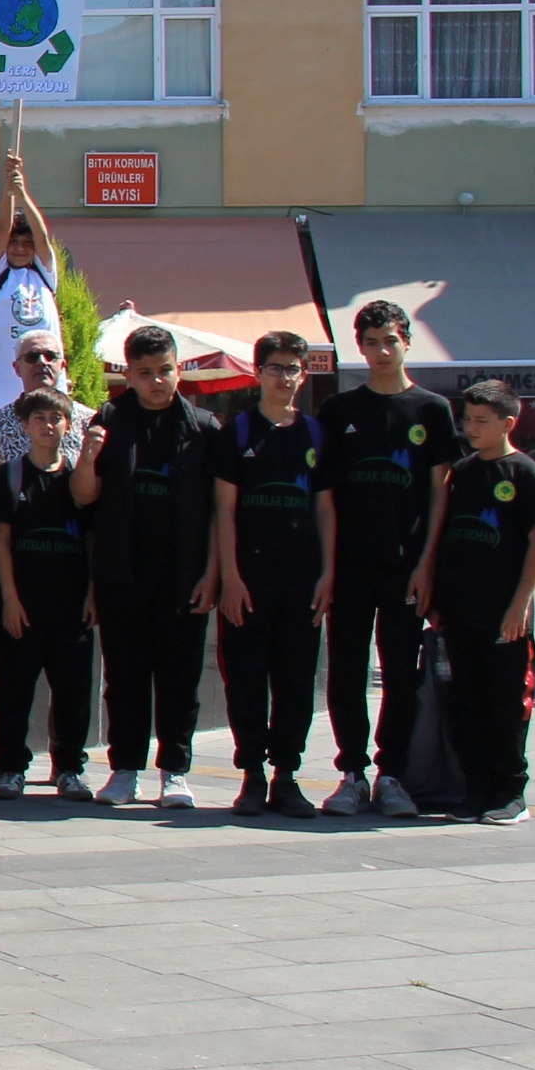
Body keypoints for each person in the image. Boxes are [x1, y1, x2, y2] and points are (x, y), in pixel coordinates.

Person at [314, 299, 455, 816]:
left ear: (406, 342)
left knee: (399, 672)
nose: (380, 351)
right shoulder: (339, 411)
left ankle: (391, 773)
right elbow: (325, 497)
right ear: (360, 346)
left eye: (389, 341)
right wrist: (327, 569)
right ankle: (351, 772)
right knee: (346, 670)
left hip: (405, 567)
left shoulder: (431, 410)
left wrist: (427, 563)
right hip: (350, 566)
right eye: (370, 342)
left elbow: (441, 492)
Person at [74, 321, 222, 808]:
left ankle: (175, 772)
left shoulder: (203, 427)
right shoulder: (111, 419)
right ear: (129, 375)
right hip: (122, 573)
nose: (157, 381)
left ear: (179, 370)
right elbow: (85, 500)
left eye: (165, 371)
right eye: (145, 373)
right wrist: (88, 460)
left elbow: (221, 509)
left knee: (180, 679)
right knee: (125, 677)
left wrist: (213, 573)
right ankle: (125, 769)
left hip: (184, 575)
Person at [411, 381, 535, 824]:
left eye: (481, 421)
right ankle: (475, 790)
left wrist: (520, 606)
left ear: (508, 424)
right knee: (467, 704)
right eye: (467, 419)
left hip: (505, 618)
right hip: (459, 614)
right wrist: (436, 600)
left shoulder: (525, 474)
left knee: (506, 706)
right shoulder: (464, 472)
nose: (470, 428)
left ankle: (511, 792)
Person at [216, 331, 333, 820]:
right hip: (249, 581)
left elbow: (325, 507)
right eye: (275, 368)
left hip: (302, 582)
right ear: (257, 372)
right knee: (245, 679)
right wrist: (230, 577)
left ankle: (286, 774)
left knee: (295, 682)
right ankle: (252, 776)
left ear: (303, 374)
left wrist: (328, 574)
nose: (283, 377)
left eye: (292, 369)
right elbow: (223, 510)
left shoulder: (315, 434)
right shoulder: (237, 432)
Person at [0, 388, 96, 799]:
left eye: (56, 418)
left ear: (68, 424)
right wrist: (10, 598)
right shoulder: (10, 475)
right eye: (39, 418)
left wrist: (91, 593)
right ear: (25, 425)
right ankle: (12, 766)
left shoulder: (79, 480)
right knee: (15, 688)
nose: (48, 426)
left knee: (72, 690)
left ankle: (68, 767)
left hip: (70, 605)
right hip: (25, 604)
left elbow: (91, 541)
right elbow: (0, 539)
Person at [0, 154, 64, 415]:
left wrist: (23, 193)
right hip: (4, 377)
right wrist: (9, 189)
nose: (20, 248)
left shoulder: (44, 274)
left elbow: (42, 235)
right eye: (14, 243)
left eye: (27, 243)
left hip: (44, 375)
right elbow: (3, 227)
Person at [0, 333, 91, 467]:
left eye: (50, 356)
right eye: (32, 357)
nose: (42, 362)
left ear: (62, 366)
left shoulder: (89, 421)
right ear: (17, 368)